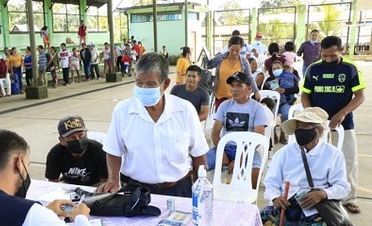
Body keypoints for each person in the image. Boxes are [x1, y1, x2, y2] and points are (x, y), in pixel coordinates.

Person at [97, 53, 207, 197]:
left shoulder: (185, 110)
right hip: (136, 190)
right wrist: (113, 179)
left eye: (150, 84)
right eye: (139, 83)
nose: (143, 89)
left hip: (178, 190)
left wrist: (201, 187)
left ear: (165, 84)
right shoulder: (123, 111)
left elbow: (198, 153)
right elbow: (113, 150)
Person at [301, 35, 366, 214]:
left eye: (333, 56)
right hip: (317, 124)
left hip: (343, 124)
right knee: (318, 160)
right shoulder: (313, 69)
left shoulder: (350, 68)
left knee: (348, 160)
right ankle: (319, 195)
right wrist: (312, 114)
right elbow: (305, 95)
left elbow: (360, 96)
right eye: (325, 56)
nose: (328, 60)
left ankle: (349, 198)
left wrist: (343, 113)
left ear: (341, 50)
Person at [206, 72, 267, 188]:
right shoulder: (224, 105)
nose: (234, 89)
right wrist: (221, 152)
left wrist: (241, 157)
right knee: (198, 165)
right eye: (232, 86)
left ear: (249, 89)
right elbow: (215, 133)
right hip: (225, 147)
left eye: (239, 86)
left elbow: (258, 137)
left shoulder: (257, 108)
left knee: (255, 172)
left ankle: (249, 201)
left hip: (247, 149)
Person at [46, 115, 108, 186]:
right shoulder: (55, 153)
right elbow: (52, 182)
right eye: (72, 138)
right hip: (68, 185)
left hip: (95, 185)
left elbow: (106, 182)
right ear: (62, 140)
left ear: (86, 134)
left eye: (81, 135)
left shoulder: (99, 150)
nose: (78, 140)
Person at [207, 36, 261, 111]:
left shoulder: (244, 62)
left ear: (241, 49)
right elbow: (208, 65)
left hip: (238, 97)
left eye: (237, 50)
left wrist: (256, 91)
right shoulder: (220, 58)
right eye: (232, 50)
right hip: (221, 97)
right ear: (228, 47)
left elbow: (249, 77)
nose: (234, 53)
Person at [263, 61, 300, 144]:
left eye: (278, 68)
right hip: (273, 102)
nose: (276, 70)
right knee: (270, 115)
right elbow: (264, 92)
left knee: (286, 113)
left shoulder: (289, 77)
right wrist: (273, 92)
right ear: (271, 71)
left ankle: (283, 133)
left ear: (282, 68)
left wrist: (285, 90)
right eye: (274, 69)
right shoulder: (269, 80)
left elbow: (296, 89)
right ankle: (273, 133)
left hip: (286, 100)